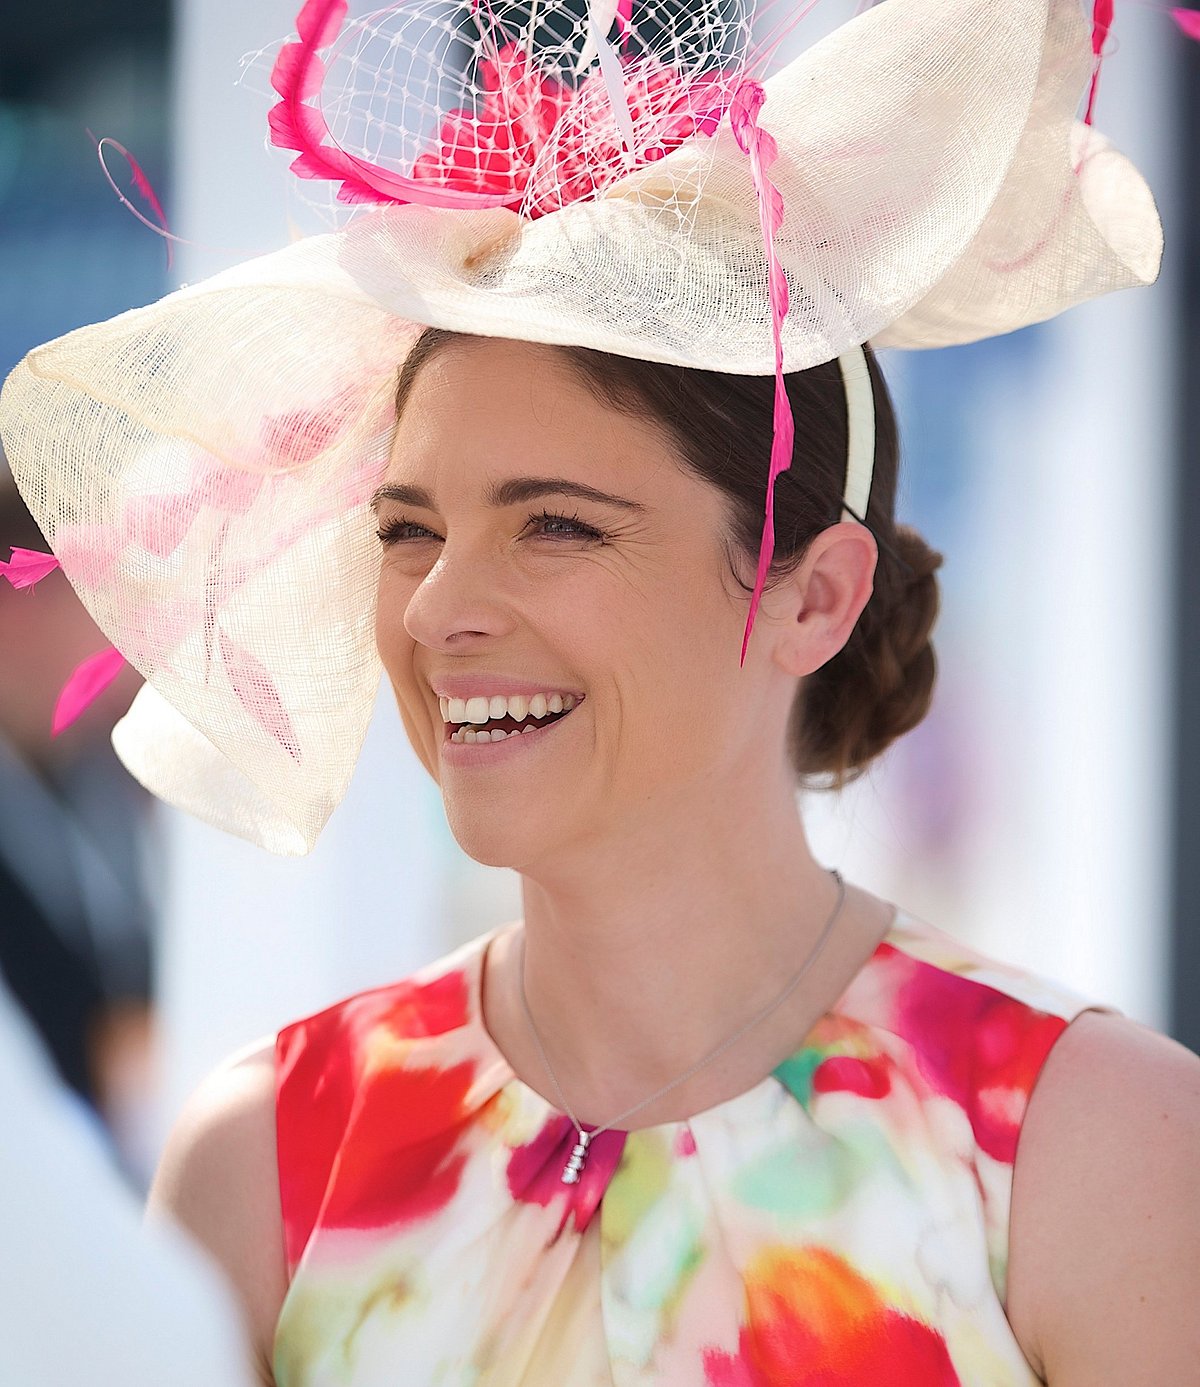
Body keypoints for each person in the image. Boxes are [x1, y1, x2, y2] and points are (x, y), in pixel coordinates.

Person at [2, 0, 1197, 1383]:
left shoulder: (1091, 1151)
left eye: (556, 524)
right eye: (407, 530)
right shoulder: (268, 1158)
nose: (440, 606)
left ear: (813, 593)